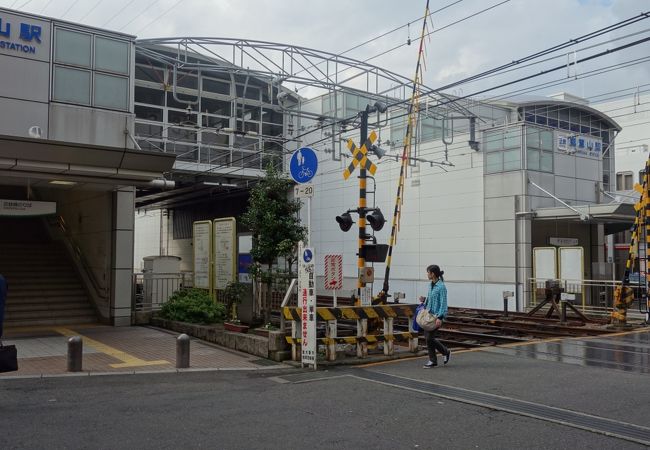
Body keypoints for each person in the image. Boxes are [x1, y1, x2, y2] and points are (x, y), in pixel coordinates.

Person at [419, 264, 451, 368]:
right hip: (428, 315)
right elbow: (431, 298)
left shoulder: (441, 287)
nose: (427, 274)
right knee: (428, 338)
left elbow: (443, 303)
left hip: (436, 317)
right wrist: (425, 300)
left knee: (429, 338)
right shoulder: (430, 285)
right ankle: (444, 353)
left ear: (432, 274)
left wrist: (440, 317)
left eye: (428, 272)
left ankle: (434, 359)